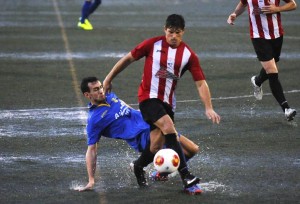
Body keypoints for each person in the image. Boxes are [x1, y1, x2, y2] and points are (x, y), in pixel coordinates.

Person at [103, 14, 221, 194]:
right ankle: (186, 176)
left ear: (183, 32)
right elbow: (128, 58)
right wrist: (108, 78)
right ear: (165, 30)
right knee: (169, 128)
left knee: (155, 146)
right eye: (170, 32)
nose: (173, 36)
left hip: (167, 104)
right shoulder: (152, 44)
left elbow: (200, 82)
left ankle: (138, 165)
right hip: (148, 98)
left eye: (178, 33)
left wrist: (208, 107)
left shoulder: (188, 55)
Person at [78, 77, 202, 194]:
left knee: (192, 150)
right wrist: (91, 180)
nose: (100, 91)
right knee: (166, 117)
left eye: (100, 87)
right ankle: (189, 183)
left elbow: (125, 107)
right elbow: (92, 150)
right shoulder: (94, 120)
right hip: (141, 137)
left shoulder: (110, 97)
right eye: (96, 90)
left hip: (152, 126)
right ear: (87, 95)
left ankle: (160, 171)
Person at [227, 0, 297, 121]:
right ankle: (286, 109)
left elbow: (293, 4)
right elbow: (243, 3)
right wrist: (234, 14)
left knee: (273, 64)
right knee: (272, 71)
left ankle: (257, 80)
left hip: (277, 34)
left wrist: (277, 9)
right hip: (258, 36)